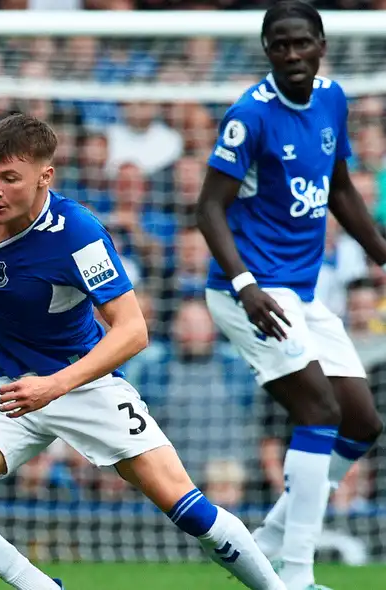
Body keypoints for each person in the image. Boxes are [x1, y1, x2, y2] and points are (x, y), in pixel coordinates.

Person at [0, 114, 286, 590]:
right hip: (7, 390)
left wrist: (56, 386)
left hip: (80, 384)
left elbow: (133, 331)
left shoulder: (77, 234)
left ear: (45, 177)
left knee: (188, 509)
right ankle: (41, 586)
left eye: (10, 177)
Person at [197, 3, 384, 589]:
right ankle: (297, 577)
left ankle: (272, 539)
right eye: (281, 46)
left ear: (321, 44)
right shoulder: (248, 116)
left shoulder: (331, 99)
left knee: (362, 423)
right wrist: (247, 285)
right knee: (319, 412)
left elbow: (341, 190)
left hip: (299, 291)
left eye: (302, 43)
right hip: (248, 291)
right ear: (267, 51)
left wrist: (382, 252)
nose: (293, 55)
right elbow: (207, 209)